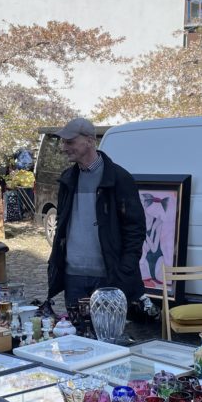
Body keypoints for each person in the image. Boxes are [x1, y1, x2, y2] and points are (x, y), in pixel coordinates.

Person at [45, 117, 146, 314]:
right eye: (63, 142)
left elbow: (136, 229)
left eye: (70, 142)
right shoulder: (67, 179)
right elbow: (62, 225)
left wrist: (124, 270)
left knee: (108, 339)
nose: (64, 148)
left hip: (108, 277)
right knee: (75, 339)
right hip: (73, 276)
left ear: (90, 141)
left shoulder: (120, 179)